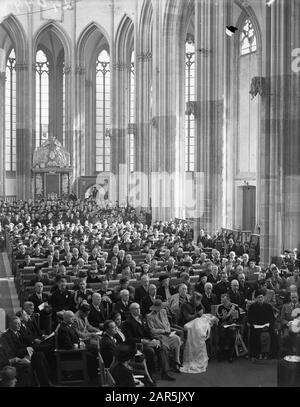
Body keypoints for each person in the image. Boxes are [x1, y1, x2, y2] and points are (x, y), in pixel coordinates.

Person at [123, 302, 175, 381]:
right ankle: (151, 374)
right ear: (131, 310)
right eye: (136, 309)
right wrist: (143, 340)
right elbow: (129, 338)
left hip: (148, 341)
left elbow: (148, 332)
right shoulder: (128, 322)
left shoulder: (142, 318)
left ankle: (165, 372)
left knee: (162, 348)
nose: (138, 310)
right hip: (139, 344)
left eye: (139, 308)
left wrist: (153, 339)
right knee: (150, 351)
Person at [179, 292, 217, 373]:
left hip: (195, 322)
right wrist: (197, 314)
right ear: (193, 299)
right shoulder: (185, 305)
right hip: (186, 323)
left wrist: (199, 305)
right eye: (197, 300)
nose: (199, 301)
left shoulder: (197, 304)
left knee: (207, 325)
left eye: (200, 300)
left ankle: (210, 352)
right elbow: (188, 318)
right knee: (199, 328)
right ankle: (196, 355)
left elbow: (202, 312)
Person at [146, 299, 182, 373]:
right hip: (159, 336)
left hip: (167, 334)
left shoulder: (163, 311)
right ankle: (169, 367)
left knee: (177, 338)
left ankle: (176, 362)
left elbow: (167, 323)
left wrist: (168, 331)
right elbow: (152, 331)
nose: (160, 309)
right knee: (164, 346)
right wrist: (163, 331)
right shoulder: (149, 316)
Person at [247, 289, 275, 360]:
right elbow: (250, 318)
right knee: (254, 335)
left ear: (263, 297)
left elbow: (271, 318)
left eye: (261, 297)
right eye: (258, 297)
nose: (260, 299)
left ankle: (268, 354)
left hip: (267, 326)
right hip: (256, 327)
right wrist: (254, 325)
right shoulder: (252, 307)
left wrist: (268, 324)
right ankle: (256, 354)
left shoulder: (268, 306)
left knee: (273, 334)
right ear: (256, 298)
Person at [216, 293, 240, 362]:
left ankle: (230, 355)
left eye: (224, 301)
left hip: (232, 325)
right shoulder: (219, 307)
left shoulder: (235, 307)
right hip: (223, 325)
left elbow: (238, 319)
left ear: (229, 300)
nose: (223, 303)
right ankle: (221, 354)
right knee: (222, 335)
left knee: (232, 335)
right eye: (222, 301)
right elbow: (219, 319)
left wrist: (233, 320)